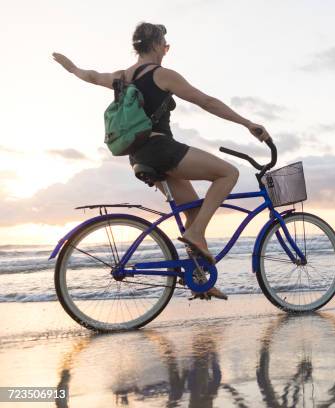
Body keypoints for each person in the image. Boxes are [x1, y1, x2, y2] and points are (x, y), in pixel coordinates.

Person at [52, 22, 271, 300]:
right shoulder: (162, 74)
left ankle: (198, 278)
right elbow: (206, 101)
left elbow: (93, 76)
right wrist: (247, 123)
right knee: (228, 173)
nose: (166, 51)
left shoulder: (121, 76)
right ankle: (196, 235)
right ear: (156, 45)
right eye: (165, 45)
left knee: (193, 212)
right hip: (160, 149)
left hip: (138, 156)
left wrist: (70, 67)